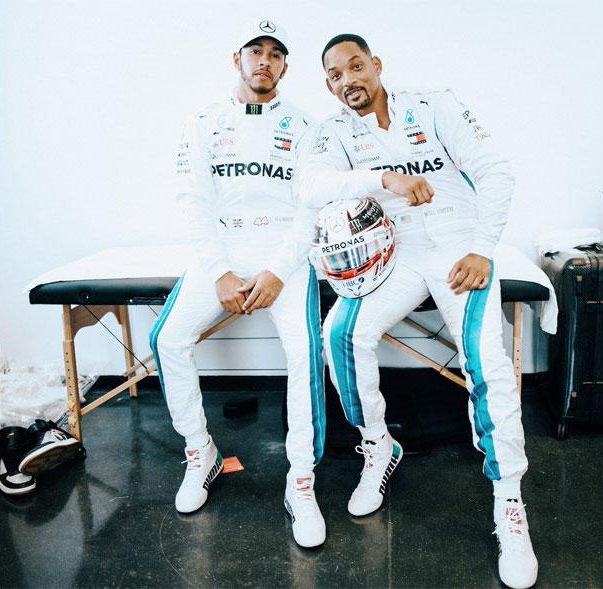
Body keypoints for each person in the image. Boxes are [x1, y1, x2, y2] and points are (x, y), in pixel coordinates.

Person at [300, 34, 538, 588]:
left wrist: (483, 247)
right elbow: (311, 188)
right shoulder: (334, 131)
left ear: (377, 65)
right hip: (398, 253)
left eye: (355, 66)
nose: (347, 80)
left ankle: (509, 504)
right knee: (339, 332)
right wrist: (383, 180)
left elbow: (496, 172)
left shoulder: (434, 105)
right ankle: (379, 446)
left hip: (460, 246)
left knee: (486, 361)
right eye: (335, 75)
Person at [149, 20, 326, 548]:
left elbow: (310, 208)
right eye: (256, 51)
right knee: (167, 339)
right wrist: (220, 271)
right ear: (237, 59)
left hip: (285, 257)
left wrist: (276, 271)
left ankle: (301, 480)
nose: (264, 61)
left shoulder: (307, 125)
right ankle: (200, 453)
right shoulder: (203, 121)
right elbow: (192, 202)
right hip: (222, 251)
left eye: (275, 54)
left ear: (286, 67)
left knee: (305, 354)